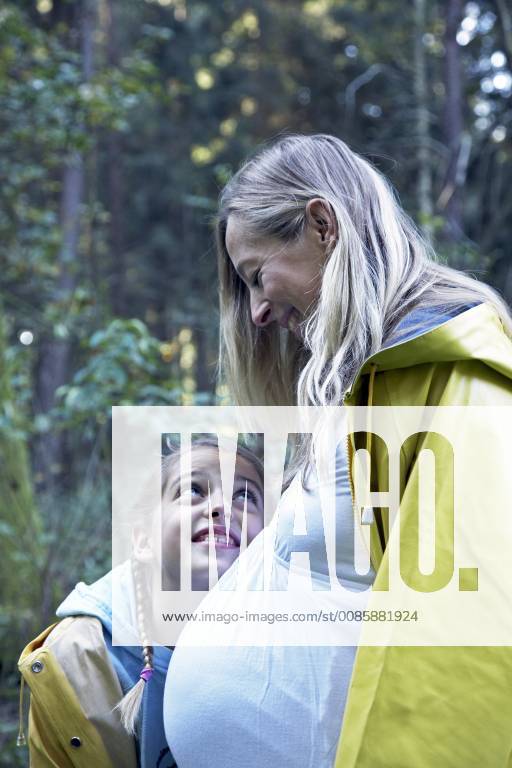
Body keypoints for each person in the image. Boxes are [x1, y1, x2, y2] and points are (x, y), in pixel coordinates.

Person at [163, 133, 512, 768]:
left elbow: (477, 623)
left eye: (256, 277)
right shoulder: (353, 391)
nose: (258, 312)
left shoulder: (455, 373)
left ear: (322, 225)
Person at [18, 436, 264, 768]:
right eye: (193, 490)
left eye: (245, 496)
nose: (221, 506)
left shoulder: (292, 650)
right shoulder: (78, 661)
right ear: (143, 539)